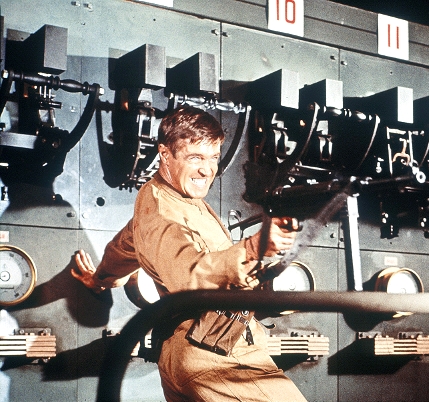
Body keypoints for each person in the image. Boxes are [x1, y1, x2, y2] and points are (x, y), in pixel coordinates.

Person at [71, 106, 307, 401]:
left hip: (197, 350)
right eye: (195, 157)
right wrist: (253, 248)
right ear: (164, 154)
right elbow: (188, 277)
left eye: (213, 157)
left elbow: (126, 244)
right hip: (216, 355)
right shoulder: (162, 213)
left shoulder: (169, 198)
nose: (207, 170)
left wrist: (102, 278)